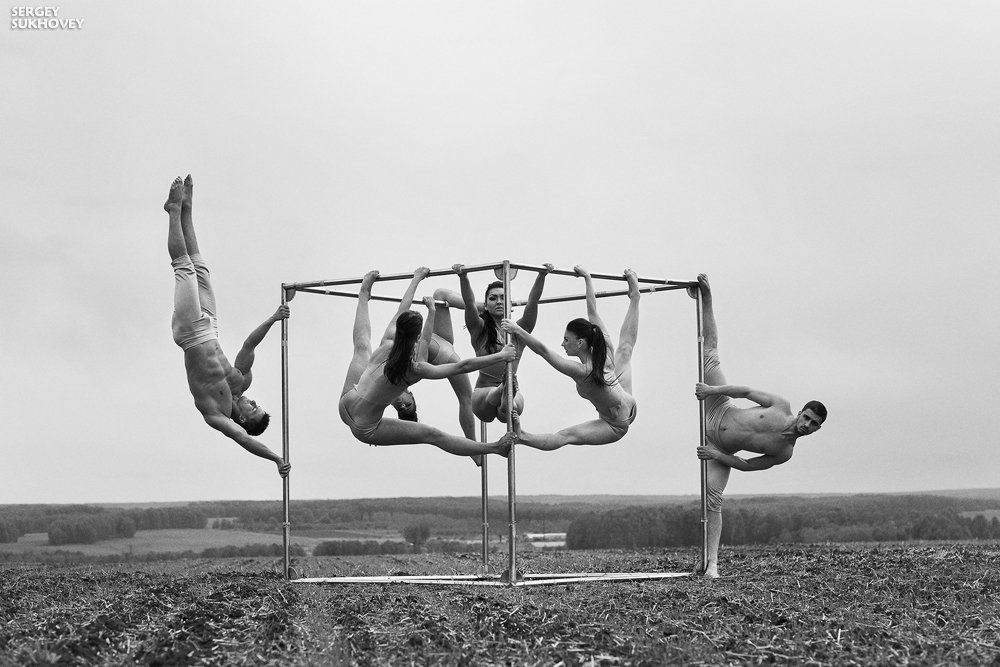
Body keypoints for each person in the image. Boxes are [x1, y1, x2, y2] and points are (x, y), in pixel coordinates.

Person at [692, 273, 827, 578]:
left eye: (813, 424)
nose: (807, 424)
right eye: (807, 417)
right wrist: (712, 391)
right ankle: (707, 297)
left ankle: (711, 564)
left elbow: (747, 466)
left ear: (817, 429)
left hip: (720, 448)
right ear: (801, 412)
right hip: (719, 407)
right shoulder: (780, 405)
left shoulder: (784, 452)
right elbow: (745, 392)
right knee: (710, 354)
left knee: (713, 499)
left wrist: (716, 456)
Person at [164, 175, 289, 477]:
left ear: (243, 419)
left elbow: (244, 440)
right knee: (200, 267)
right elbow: (249, 345)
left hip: (191, 335)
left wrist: (275, 459)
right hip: (211, 327)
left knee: (184, 268)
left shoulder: (215, 413)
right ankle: (188, 209)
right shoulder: (240, 382)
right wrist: (273, 318)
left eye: (253, 408)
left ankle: (173, 210)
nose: (253, 401)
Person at [338, 268, 517, 457]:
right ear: (417, 337)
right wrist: (501, 355)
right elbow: (462, 366)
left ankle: (363, 293)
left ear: (399, 329)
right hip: (365, 426)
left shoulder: (388, 340)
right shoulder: (417, 368)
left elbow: (403, 308)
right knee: (433, 435)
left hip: (346, 403)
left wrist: (417, 280)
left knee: (362, 346)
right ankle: (494, 448)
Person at [500, 266, 640, 449]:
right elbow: (592, 312)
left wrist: (517, 329)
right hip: (625, 400)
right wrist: (587, 278)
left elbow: (543, 351)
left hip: (615, 424)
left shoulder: (583, 371)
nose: (562, 344)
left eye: (566, 340)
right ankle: (635, 297)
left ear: (580, 343)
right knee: (625, 350)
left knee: (565, 436)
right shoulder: (601, 348)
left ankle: (522, 437)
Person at [449, 262, 554, 423]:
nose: (498, 301)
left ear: (510, 304)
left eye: (503, 298)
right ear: (485, 306)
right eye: (493, 298)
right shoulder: (479, 328)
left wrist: (542, 275)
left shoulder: (519, 330)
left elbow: (533, 301)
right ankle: (503, 391)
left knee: (511, 408)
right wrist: (463, 277)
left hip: (511, 396)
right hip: (483, 396)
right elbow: (469, 302)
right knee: (496, 397)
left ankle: (506, 395)